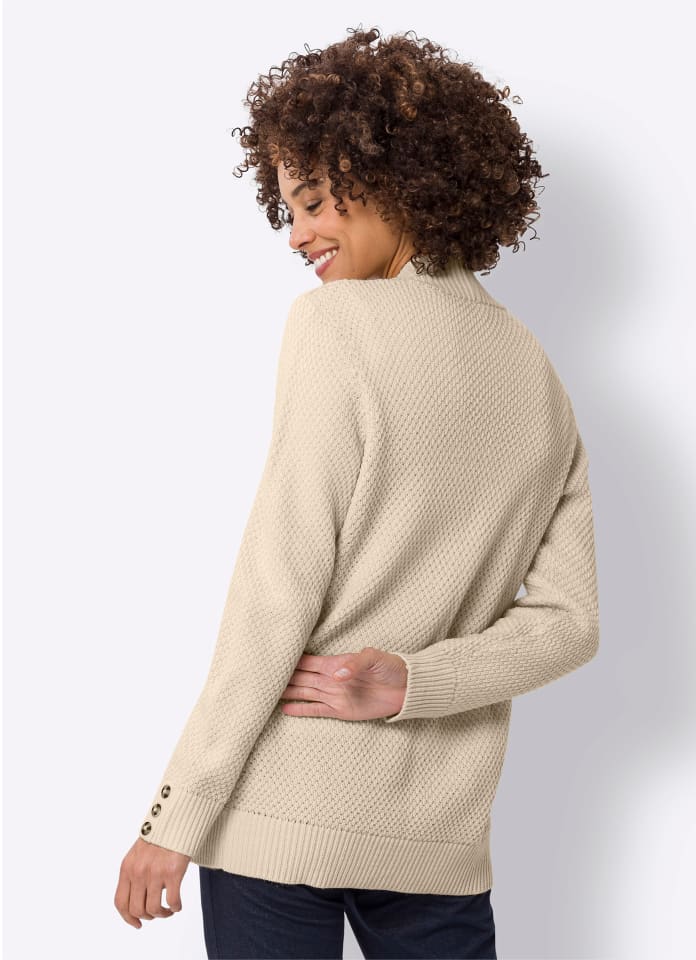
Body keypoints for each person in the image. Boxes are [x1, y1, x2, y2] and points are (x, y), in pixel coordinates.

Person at [114, 25, 600, 959]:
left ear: (390, 179)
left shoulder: (334, 325)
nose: (295, 234)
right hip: (437, 842)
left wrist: (176, 813)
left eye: (310, 201)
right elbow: (569, 625)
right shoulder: (539, 378)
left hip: (279, 814)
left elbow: (277, 588)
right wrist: (416, 682)